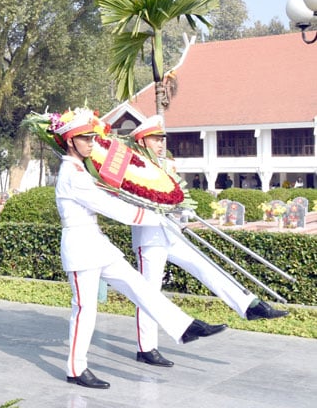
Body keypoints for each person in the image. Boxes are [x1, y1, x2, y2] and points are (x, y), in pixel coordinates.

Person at [51, 108, 226, 389]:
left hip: (96, 242)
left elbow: (107, 195)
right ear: (70, 141)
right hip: (80, 247)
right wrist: (152, 215)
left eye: (92, 138)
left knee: (139, 286)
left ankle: (183, 327)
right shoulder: (71, 174)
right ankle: (76, 367)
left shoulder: (81, 170)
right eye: (85, 139)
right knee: (85, 309)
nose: (91, 143)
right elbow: (108, 206)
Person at [129, 116, 287, 368]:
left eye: (161, 139)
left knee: (206, 265)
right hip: (149, 236)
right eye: (155, 139)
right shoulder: (133, 168)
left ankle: (249, 306)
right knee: (150, 292)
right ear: (141, 140)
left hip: (172, 231)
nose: (160, 143)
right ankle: (146, 348)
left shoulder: (165, 165)